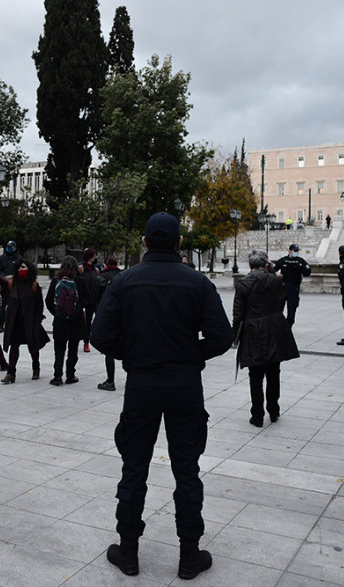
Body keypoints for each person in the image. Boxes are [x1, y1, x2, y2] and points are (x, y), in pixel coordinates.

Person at [91, 212, 232, 580]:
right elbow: (221, 337)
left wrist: (135, 354)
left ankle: (129, 551)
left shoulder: (125, 281)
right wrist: (188, 355)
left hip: (143, 386)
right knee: (187, 470)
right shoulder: (197, 282)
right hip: (184, 386)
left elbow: (101, 336)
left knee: (134, 468)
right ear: (180, 243)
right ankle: (188, 555)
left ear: (144, 242)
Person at [232, 249, 299, 427]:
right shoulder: (275, 279)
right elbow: (283, 293)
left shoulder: (243, 284)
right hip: (274, 327)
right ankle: (274, 409)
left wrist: (234, 336)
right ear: (266, 263)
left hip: (253, 328)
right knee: (273, 371)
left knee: (255, 374)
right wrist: (272, 272)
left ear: (250, 264)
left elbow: (238, 312)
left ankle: (257, 414)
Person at [1, 259, 49, 383]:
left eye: (23, 267)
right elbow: (5, 298)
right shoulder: (12, 283)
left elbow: (39, 304)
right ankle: (11, 373)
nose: (20, 269)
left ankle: (36, 368)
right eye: (18, 267)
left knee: (33, 347)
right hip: (15, 321)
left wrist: (37, 320)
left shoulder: (33, 285)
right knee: (14, 346)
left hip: (29, 321)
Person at [46, 256, 84, 386]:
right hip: (76, 320)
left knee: (59, 350)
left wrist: (57, 313)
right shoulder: (79, 280)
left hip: (60, 321)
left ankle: (57, 376)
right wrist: (76, 311)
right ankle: (70, 375)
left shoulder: (56, 280)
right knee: (73, 349)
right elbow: (86, 300)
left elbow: (49, 301)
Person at [97, 257, 122, 391]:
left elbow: (98, 295)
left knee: (109, 352)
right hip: (123, 317)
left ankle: (110, 380)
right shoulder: (123, 276)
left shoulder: (103, 277)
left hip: (109, 316)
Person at [274, 244, 311, 326]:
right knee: (279, 309)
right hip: (283, 287)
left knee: (292, 310)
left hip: (294, 288)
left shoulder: (300, 261)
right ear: (290, 251)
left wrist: (301, 268)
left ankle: (288, 327)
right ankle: (279, 326)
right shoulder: (283, 260)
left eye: (297, 251)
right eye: (295, 251)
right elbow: (273, 270)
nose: (296, 252)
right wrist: (277, 274)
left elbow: (307, 272)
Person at [0, 240, 23, 332]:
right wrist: (4, 277)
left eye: (11, 247)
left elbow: (22, 270)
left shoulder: (19, 258)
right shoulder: (2, 258)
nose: (9, 248)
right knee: (3, 306)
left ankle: (13, 324)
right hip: (4, 285)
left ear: (15, 248)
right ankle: (1, 324)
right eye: (8, 246)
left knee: (15, 305)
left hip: (15, 285)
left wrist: (13, 276)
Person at [77, 248, 101, 353]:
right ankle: (76, 339)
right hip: (81, 299)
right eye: (93, 256)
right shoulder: (81, 268)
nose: (95, 258)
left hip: (92, 299)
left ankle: (86, 342)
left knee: (88, 322)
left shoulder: (96, 270)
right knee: (79, 321)